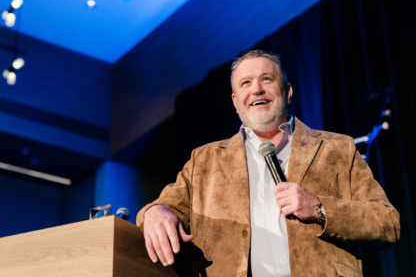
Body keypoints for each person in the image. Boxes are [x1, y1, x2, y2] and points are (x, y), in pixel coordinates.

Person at [136, 50, 400, 277]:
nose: (256, 89)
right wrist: (155, 212)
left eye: (266, 79)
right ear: (235, 100)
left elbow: (388, 223)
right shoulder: (204, 160)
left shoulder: (337, 148)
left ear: (287, 90)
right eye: (245, 83)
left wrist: (319, 208)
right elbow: (166, 208)